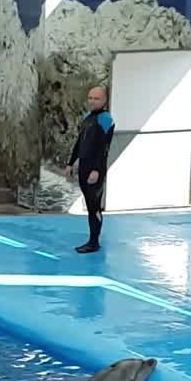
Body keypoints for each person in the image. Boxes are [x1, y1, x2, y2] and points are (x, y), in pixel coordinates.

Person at [65, 85, 114, 254]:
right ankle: (92, 239)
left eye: (96, 98)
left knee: (94, 207)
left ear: (104, 100)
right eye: (90, 98)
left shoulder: (106, 119)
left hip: (95, 170)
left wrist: (97, 170)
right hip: (84, 168)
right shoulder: (87, 117)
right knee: (89, 204)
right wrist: (70, 163)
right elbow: (80, 143)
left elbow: (104, 148)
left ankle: (94, 242)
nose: (92, 101)